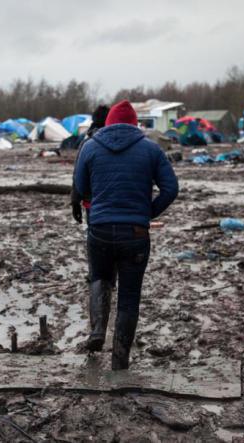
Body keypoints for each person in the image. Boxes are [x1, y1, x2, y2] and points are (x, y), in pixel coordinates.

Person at [73, 100, 178, 370]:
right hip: (136, 233)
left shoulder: (90, 147)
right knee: (129, 297)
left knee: (99, 278)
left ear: (108, 123)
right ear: (135, 124)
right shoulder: (151, 149)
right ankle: (120, 361)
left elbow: (81, 188)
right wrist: (147, 213)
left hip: (100, 230)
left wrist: (99, 205)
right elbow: (170, 188)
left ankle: (98, 330)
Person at [71, 105, 110, 225]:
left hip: (92, 204)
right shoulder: (119, 140)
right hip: (117, 204)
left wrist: (75, 201)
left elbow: (78, 174)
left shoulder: (87, 143)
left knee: (96, 238)